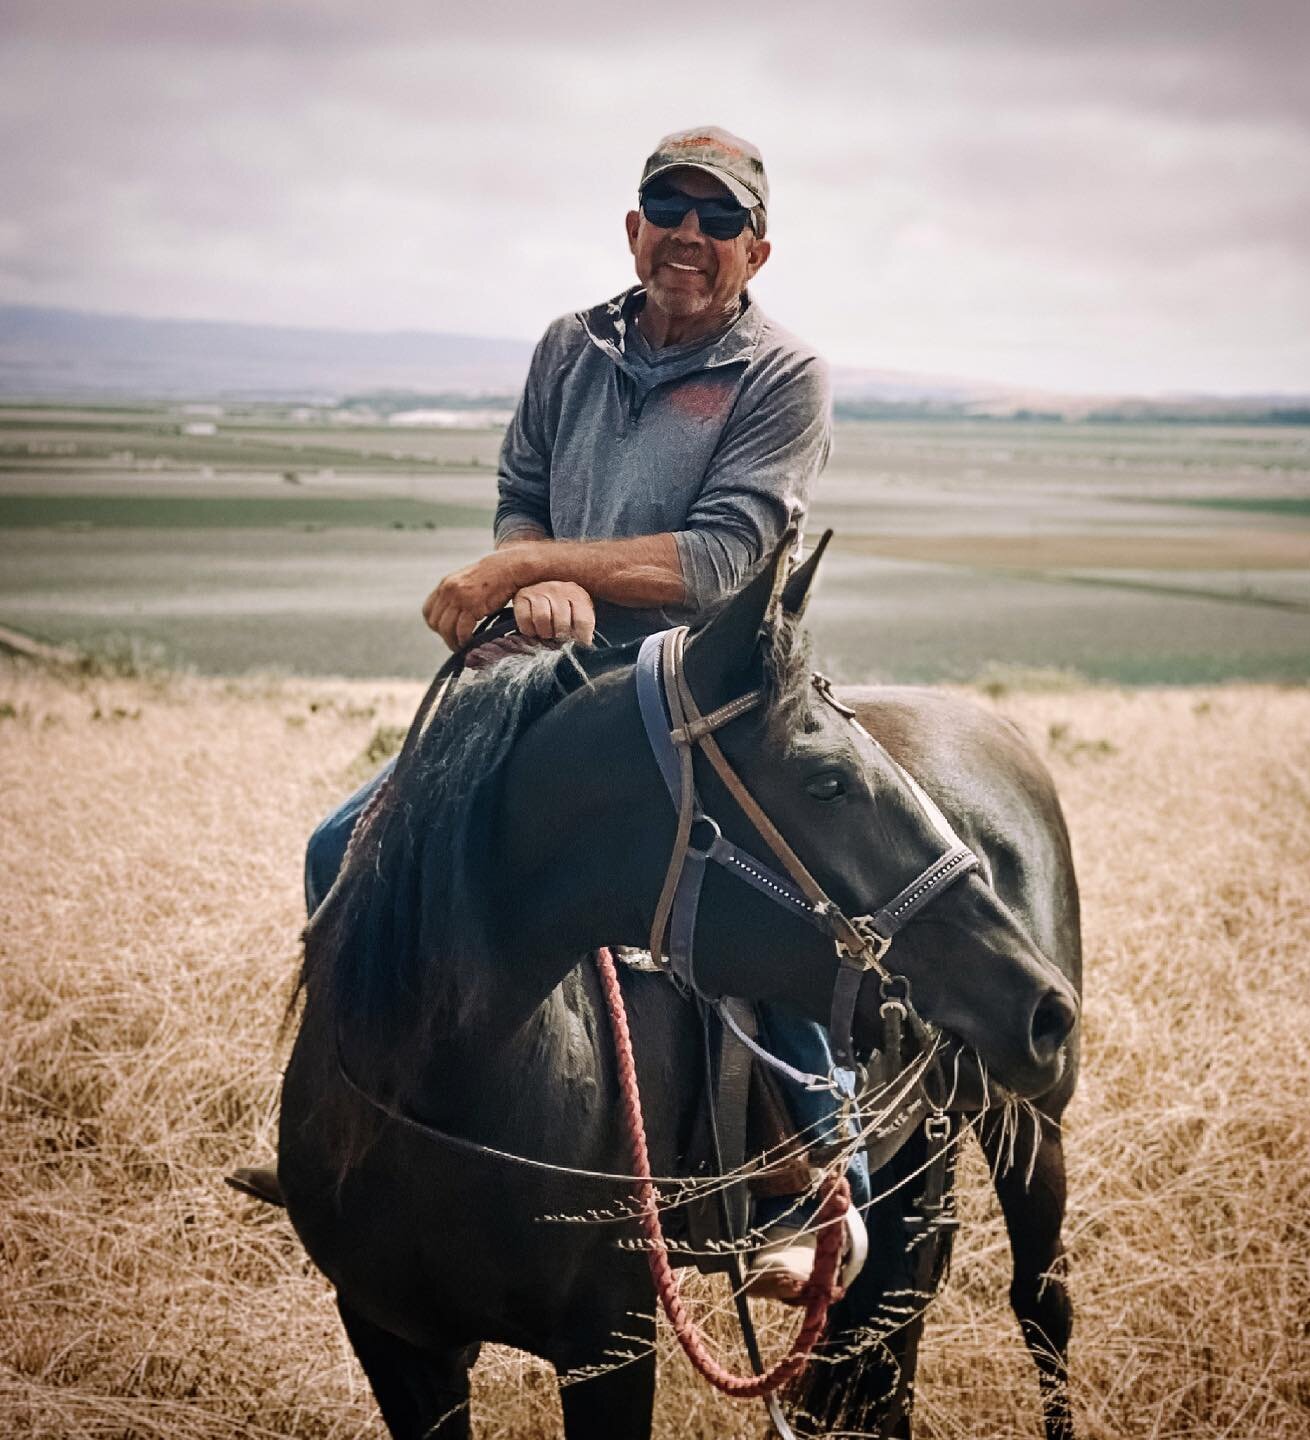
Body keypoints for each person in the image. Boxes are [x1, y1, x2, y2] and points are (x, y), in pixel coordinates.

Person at [236, 126, 867, 1301]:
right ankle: (349, 1131)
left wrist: (522, 577)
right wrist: (539, 580)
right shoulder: (568, 348)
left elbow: (724, 560)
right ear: (633, 228)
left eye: (719, 220)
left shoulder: (783, 375)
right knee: (343, 846)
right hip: (543, 673)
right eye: (666, 210)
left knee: (763, 893)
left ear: (757, 250)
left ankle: (817, 1168)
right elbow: (520, 496)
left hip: (695, 687)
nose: (690, 236)